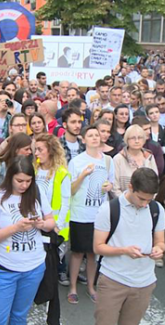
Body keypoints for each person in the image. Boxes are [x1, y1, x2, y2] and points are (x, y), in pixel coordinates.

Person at [0, 156, 56, 325]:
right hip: (5, 268)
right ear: (10, 177)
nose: (24, 185)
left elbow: (51, 222)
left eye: (28, 181)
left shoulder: (37, 192)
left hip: (34, 266)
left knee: (20, 316)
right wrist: (15, 228)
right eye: (19, 181)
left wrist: (42, 224)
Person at [93, 168, 165, 325]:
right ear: (131, 187)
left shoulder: (157, 209)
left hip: (144, 283)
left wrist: (159, 249)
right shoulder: (109, 209)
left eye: (149, 200)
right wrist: (124, 251)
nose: (145, 204)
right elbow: (98, 247)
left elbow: (160, 240)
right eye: (141, 199)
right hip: (113, 280)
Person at [67, 126, 115, 305]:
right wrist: (83, 175)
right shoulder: (77, 161)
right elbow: (70, 190)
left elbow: (111, 183)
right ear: (84, 139)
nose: (95, 138)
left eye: (97, 135)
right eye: (91, 135)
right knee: (78, 252)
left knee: (94, 253)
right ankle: (72, 286)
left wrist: (109, 187)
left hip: (100, 214)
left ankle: (90, 286)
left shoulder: (108, 160)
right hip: (80, 213)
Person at [33, 133, 72, 286]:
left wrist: (58, 225)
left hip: (53, 226)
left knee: (50, 264)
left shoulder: (62, 173)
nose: (36, 153)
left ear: (50, 151)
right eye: (35, 149)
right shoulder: (33, 170)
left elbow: (65, 202)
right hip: (36, 223)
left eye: (40, 150)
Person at [112, 125, 158, 198]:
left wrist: (149, 200)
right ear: (127, 140)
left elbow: (155, 182)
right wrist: (126, 201)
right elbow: (114, 188)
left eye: (140, 138)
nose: (137, 141)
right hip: (124, 203)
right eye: (133, 138)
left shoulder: (149, 157)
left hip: (147, 203)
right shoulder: (118, 159)